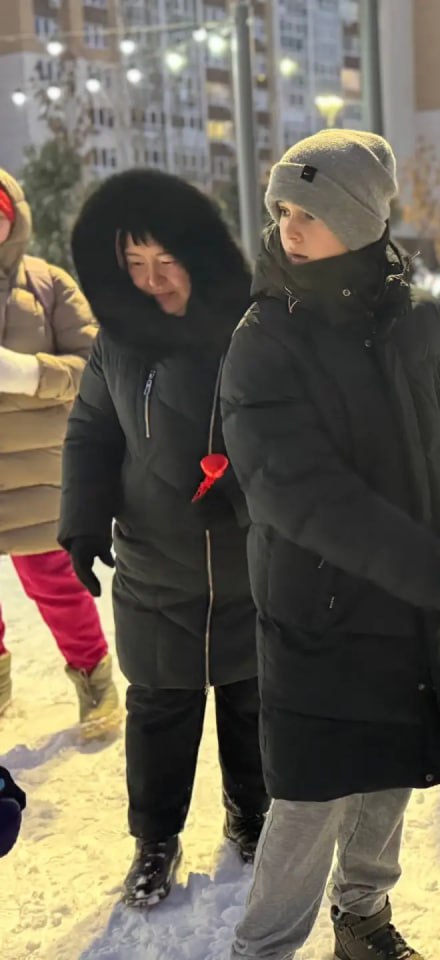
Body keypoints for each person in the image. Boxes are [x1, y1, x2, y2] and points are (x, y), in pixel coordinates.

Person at [220, 130, 440, 960]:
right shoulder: (265, 338)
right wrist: (439, 572)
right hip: (324, 613)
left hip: (422, 607)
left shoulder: (424, 321)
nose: (288, 226)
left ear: (362, 218)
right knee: (309, 804)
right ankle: (264, 948)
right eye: (282, 210)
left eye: (310, 210)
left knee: (393, 779)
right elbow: (301, 494)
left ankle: (365, 919)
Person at [61, 169, 266, 906]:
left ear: (198, 253)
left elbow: (291, 431)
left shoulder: (254, 327)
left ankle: (253, 813)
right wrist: (82, 518)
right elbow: (90, 430)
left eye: (166, 262)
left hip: (247, 567)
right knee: (160, 715)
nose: (153, 283)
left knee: (250, 706)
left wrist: (247, 493)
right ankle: (155, 840)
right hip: (155, 564)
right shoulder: (117, 343)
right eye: (134, 267)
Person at [0, 167, 118, 729]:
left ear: (13, 219)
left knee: (55, 582)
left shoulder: (47, 284)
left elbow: (95, 362)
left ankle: (94, 679)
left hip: (39, 472)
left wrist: (28, 374)